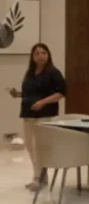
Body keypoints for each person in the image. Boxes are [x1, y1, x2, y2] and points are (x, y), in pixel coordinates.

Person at [7, 43, 66, 192]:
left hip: (45, 113)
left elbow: (61, 93)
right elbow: (30, 92)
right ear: (32, 57)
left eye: (43, 53)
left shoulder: (53, 72)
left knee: (37, 147)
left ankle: (38, 177)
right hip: (28, 113)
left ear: (48, 55)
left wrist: (42, 102)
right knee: (29, 146)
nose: (40, 56)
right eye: (37, 53)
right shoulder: (30, 73)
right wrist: (18, 94)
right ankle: (41, 176)